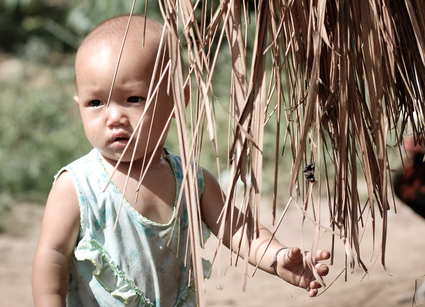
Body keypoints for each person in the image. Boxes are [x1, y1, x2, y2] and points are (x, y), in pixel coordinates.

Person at [32, 15, 330, 307]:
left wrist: (276, 257)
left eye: (133, 98)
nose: (113, 117)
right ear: (79, 106)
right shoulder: (78, 186)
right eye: (95, 103)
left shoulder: (190, 180)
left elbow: (238, 228)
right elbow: (52, 253)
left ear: (177, 98)